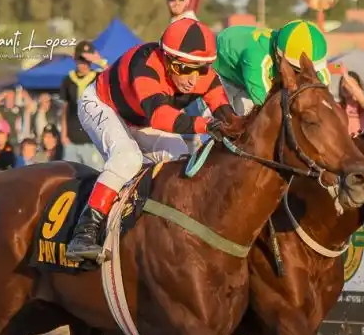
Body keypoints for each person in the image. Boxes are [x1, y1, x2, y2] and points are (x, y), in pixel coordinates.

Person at [64, 17, 240, 263]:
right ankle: (84, 233)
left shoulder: (204, 76)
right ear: (167, 60)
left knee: (181, 160)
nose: (193, 79)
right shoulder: (145, 65)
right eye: (184, 69)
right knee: (127, 158)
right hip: (102, 105)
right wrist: (206, 125)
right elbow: (160, 117)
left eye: (200, 69)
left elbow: (227, 115)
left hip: (140, 117)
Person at [213, 19, 331, 115]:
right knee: (246, 109)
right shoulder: (257, 57)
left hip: (252, 72)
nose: (298, 75)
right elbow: (262, 101)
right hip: (226, 73)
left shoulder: (314, 60)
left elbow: (323, 88)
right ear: (279, 57)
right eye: (295, 70)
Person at [59, 40, 108, 169]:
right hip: (72, 139)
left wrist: (100, 61)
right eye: (81, 60)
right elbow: (65, 108)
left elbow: (114, 77)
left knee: (95, 174)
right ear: (75, 59)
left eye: (87, 60)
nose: (84, 64)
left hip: (92, 139)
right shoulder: (68, 80)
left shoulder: (98, 77)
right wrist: (63, 134)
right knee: (69, 175)